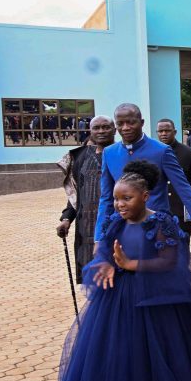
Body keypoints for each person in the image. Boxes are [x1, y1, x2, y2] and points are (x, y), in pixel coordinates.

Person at [58, 161, 191, 381]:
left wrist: (131, 264)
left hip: (157, 299)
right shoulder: (115, 223)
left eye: (127, 198)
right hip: (120, 299)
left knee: (158, 352)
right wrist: (107, 264)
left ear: (145, 197)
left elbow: (171, 260)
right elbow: (105, 253)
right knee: (120, 352)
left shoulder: (160, 222)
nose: (120, 204)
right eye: (116, 198)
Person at [95, 104, 191, 242]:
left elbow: (184, 189)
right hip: (124, 231)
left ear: (142, 123)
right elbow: (106, 198)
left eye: (131, 122)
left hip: (157, 230)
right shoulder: (109, 153)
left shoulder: (161, 151)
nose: (126, 127)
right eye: (120, 123)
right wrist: (99, 238)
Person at [57, 116, 116, 270]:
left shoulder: (124, 154)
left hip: (117, 222)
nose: (101, 131)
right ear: (90, 131)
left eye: (106, 127)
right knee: (91, 275)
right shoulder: (79, 158)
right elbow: (76, 194)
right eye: (96, 128)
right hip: (86, 225)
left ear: (114, 130)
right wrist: (66, 218)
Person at [156, 118, 191, 233]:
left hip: (183, 210)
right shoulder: (152, 154)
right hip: (159, 209)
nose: (163, 134)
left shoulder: (189, 153)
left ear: (174, 132)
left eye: (167, 130)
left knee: (182, 245)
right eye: (160, 131)